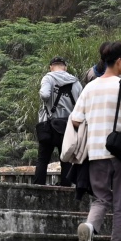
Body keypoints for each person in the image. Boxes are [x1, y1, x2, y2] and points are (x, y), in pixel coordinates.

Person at [68, 40, 121, 241]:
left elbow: (76, 120)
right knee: (120, 200)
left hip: (95, 153)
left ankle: (90, 226)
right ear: (119, 61)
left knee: (100, 199)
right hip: (118, 151)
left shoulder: (90, 86)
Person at [35, 57, 82, 185]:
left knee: (43, 159)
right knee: (65, 159)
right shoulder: (75, 82)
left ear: (51, 67)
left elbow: (45, 95)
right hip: (67, 127)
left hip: (49, 126)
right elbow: (82, 105)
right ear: (65, 67)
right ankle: (65, 191)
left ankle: (38, 189)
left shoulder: (48, 78)